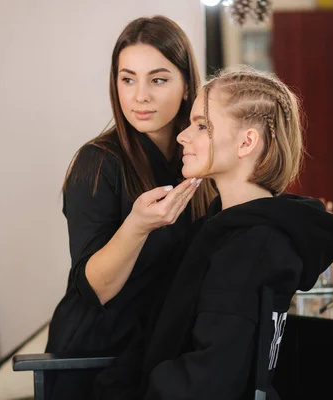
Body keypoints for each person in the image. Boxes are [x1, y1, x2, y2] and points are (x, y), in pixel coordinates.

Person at [93, 66, 333, 399]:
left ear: (246, 142)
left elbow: (209, 380)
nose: (182, 136)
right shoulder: (215, 229)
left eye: (202, 126)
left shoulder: (253, 246)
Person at [44, 15, 216, 399]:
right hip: (97, 357)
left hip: (165, 353)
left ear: (187, 84)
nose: (140, 96)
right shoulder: (98, 162)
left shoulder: (198, 164)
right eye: (127, 79)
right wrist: (136, 226)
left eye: (158, 79)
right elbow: (95, 289)